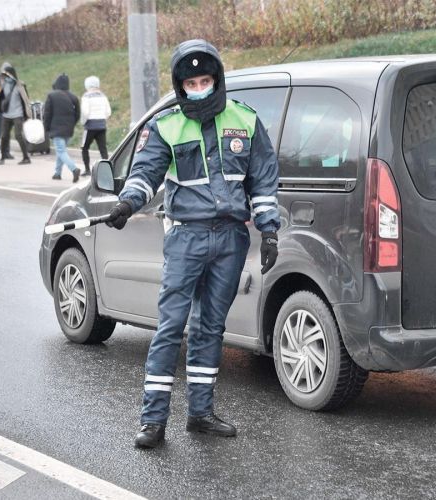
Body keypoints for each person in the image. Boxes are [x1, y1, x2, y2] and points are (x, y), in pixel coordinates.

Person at [106, 39, 280, 449]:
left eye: (204, 80)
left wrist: (270, 230)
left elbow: (264, 181)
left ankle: (200, 414)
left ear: (216, 80)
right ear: (180, 87)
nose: (198, 88)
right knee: (170, 327)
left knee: (210, 328)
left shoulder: (246, 121)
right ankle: (153, 420)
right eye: (190, 83)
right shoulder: (166, 125)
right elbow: (145, 173)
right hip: (186, 236)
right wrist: (128, 203)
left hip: (232, 239)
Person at [43, 73, 80, 182]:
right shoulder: (73, 97)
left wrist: (46, 128)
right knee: (61, 151)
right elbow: (77, 114)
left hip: (56, 129)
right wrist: (72, 124)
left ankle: (74, 169)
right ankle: (57, 173)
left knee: (61, 151)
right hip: (68, 130)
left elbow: (47, 114)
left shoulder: (51, 96)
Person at [0, 63, 32, 165]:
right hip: (6, 115)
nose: (4, 76)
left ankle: (26, 157)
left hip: (18, 114)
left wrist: (28, 114)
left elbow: (26, 100)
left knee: (18, 135)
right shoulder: (3, 85)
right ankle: (2, 157)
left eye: (6, 74)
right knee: (4, 136)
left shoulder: (20, 85)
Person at [79, 75, 112, 176]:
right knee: (103, 148)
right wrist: (103, 118)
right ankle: (108, 170)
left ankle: (87, 169)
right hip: (102, 125)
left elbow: (85, 112)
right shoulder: (103, 96)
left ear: (87, 85)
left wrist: (83, 122)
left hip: (90, 126)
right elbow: (108, 112)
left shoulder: (86, 96)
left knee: (84, 147)